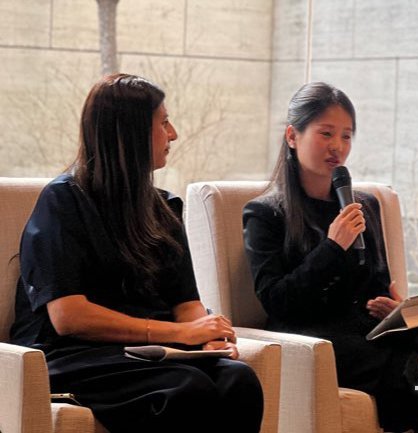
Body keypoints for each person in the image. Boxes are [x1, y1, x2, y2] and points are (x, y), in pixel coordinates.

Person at [10, 74, 263, 433]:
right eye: (163, 123)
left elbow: (186, 303)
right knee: (186, 389)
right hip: (74, 353)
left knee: (239, 380)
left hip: (147, 352)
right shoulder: (63, 201)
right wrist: (179, 334)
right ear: (129, 133)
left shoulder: (164, 208)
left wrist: (209, 338)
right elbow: (69, 317)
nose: (173, 134)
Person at [242, 82, 418, 433]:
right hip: (315, 335)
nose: (337, 147)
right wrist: (332, 247)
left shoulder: (363, 205)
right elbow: (276, 300)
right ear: (292, 136)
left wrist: (394, 307)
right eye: (326, 133)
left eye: (346, 136)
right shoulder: (265, 213)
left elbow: (376, 283)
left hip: (366, 327)